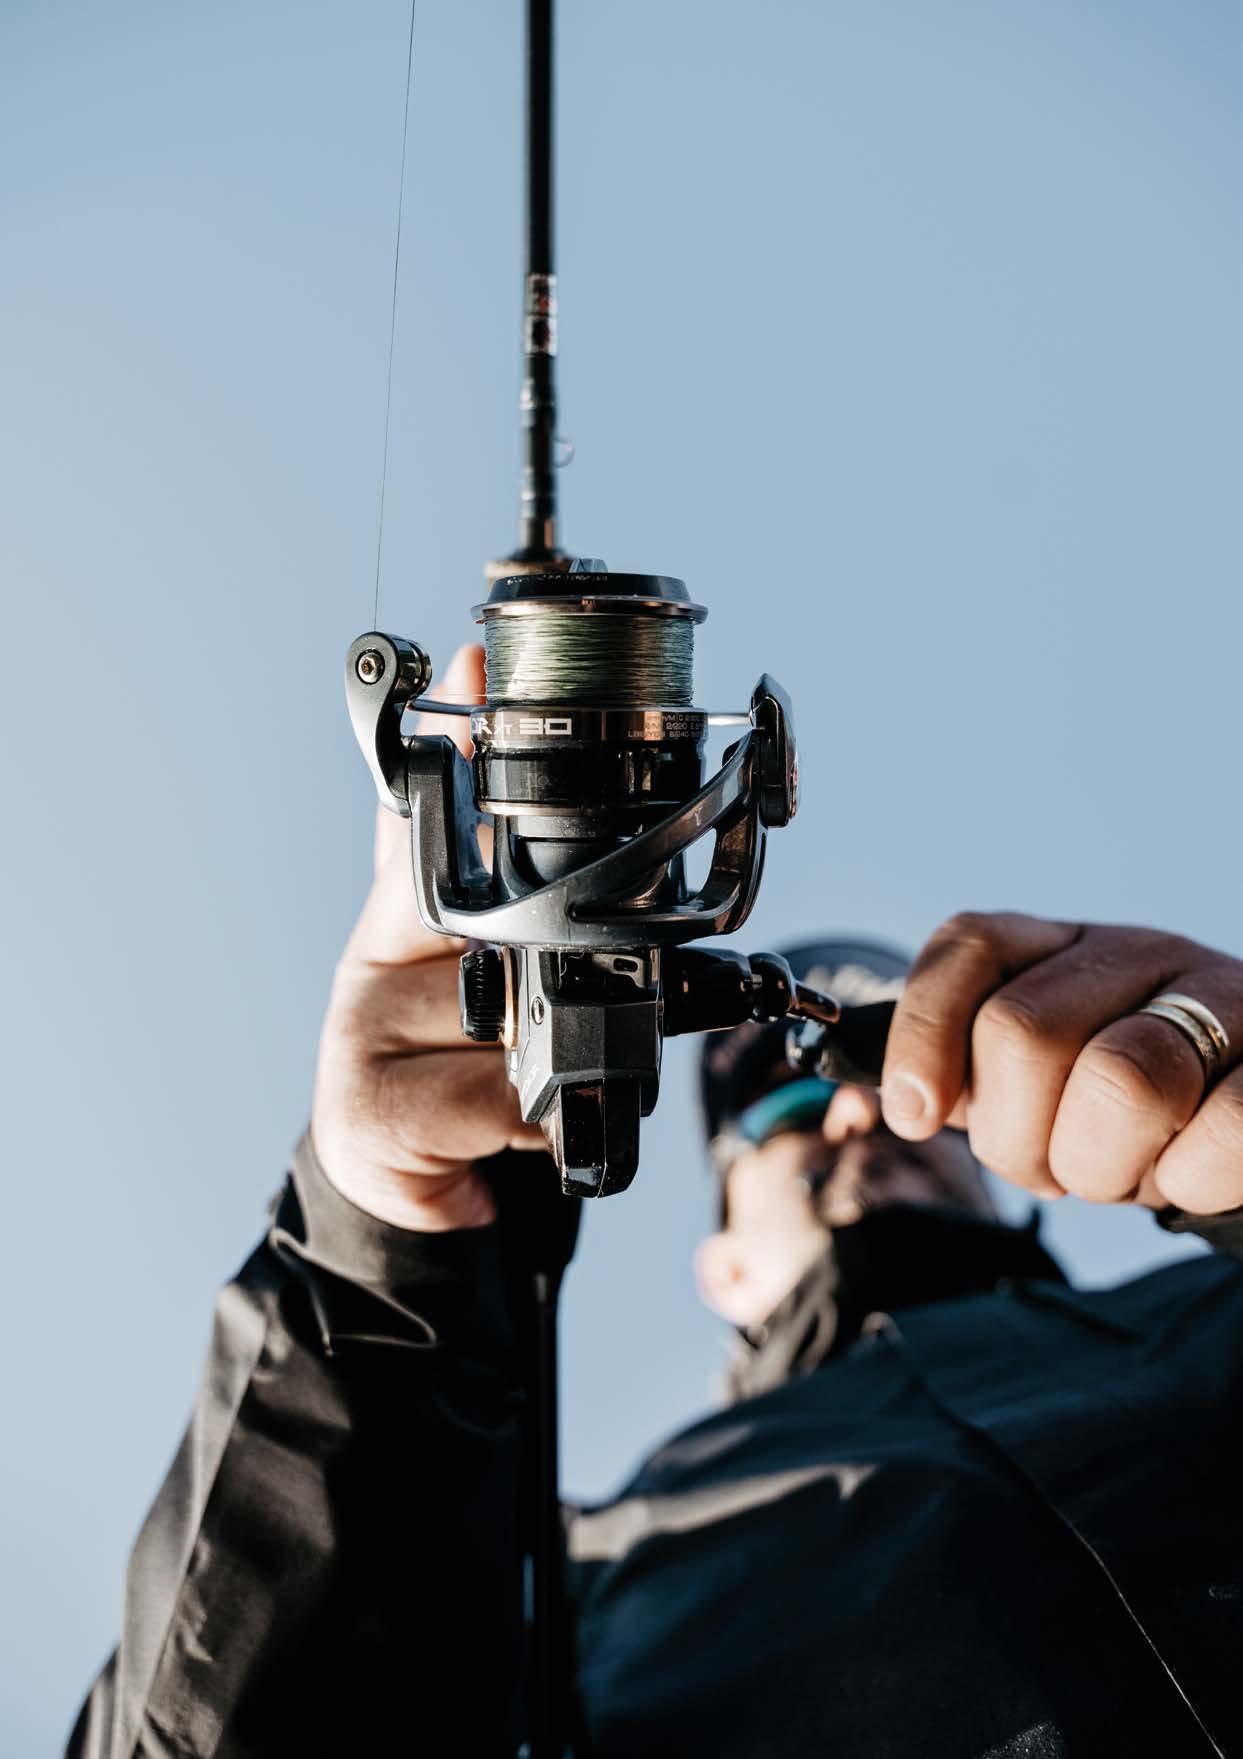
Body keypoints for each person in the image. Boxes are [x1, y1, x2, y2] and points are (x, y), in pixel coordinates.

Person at [67, 650, 1243, 1758]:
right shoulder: (568, 1583)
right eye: (787, 1112)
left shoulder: (1216, 1315)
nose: (850, 1112)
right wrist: (370, 1274)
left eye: (893, 1096)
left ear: (997, 1173)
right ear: (719, 1267)